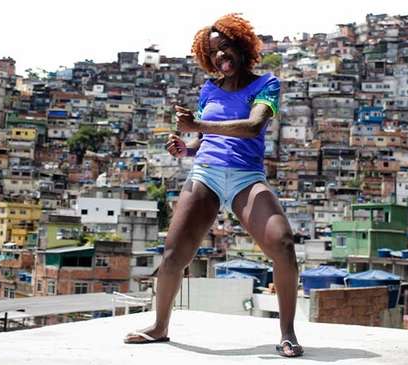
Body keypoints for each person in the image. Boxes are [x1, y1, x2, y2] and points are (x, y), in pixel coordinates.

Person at [124, 13, 304, 358]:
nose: (221, 57)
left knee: (283, 244)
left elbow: (253, 127)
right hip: (205, 173)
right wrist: (186, 147)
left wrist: (197, 124)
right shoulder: (209, 89)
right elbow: (204, 139)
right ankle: (159, 326)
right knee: (174, 254)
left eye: (226, 48)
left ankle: (287, 332)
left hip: (246, 177)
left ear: (242, 46)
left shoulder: (267, 84)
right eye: (214, 53)